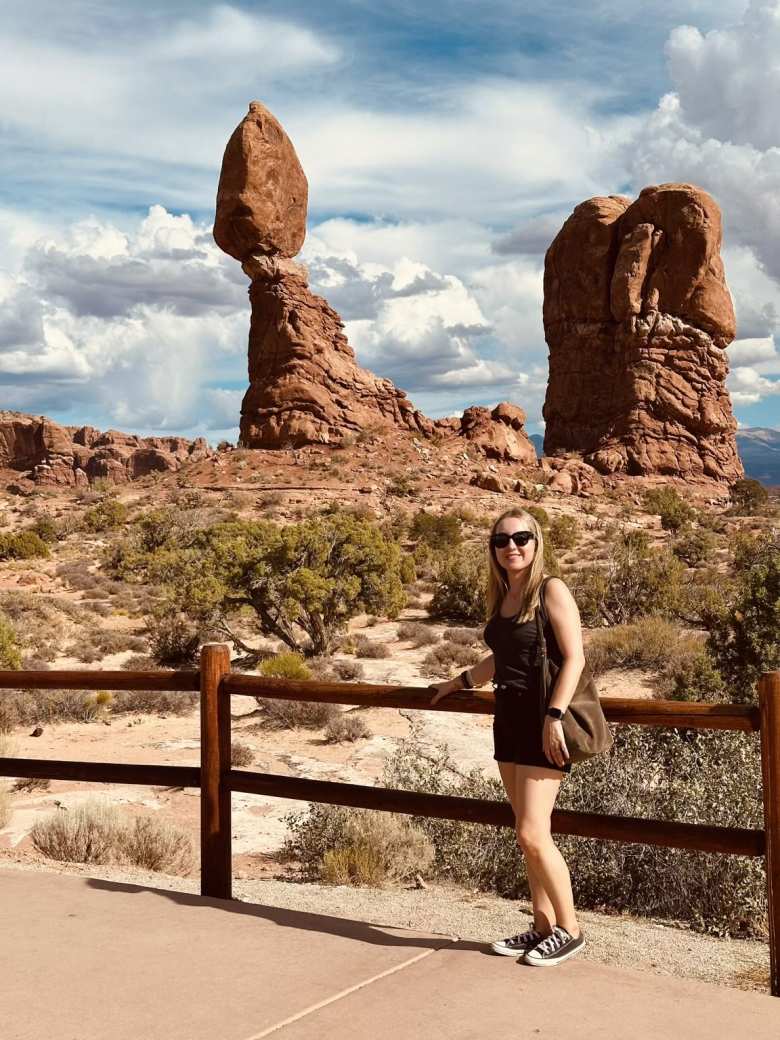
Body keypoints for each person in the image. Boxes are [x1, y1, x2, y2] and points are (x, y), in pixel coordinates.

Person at [428, 507, 586, 967]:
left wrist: (554, 716)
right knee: (526, 835)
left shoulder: (549, 589)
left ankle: (570, 928)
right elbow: (500, 657)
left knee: (533, 831)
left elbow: (574, 658)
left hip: (542, 722)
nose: (511, 547)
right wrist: (457, 683)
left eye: (520, 538)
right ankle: (541, 926)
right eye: (501, 541)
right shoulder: (505, 595)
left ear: (536, 542)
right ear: (492, 550)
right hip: (508, 722)